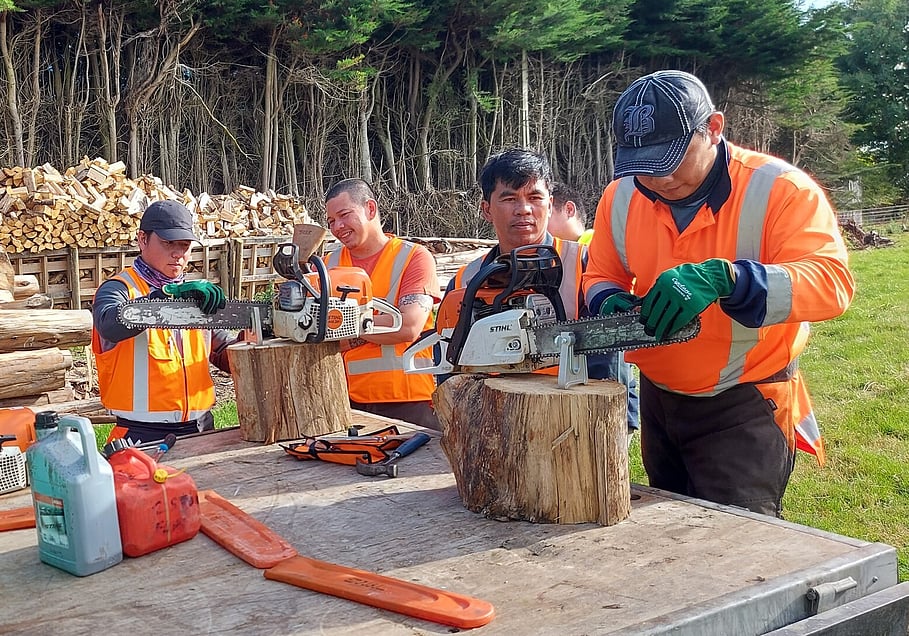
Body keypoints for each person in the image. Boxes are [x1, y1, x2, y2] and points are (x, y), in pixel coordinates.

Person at [583, 70, 855, 516]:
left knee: (737, 540)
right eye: (644, 164)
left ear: (712, 128)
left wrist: (730, 279)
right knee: (669, 526)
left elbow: (832, 283)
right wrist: (607, 299)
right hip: (658, 400)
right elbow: (600, 272)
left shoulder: (781, 189)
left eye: (670, 159)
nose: (659, 178)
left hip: (743, 402)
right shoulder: (622, 196)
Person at [445, 148, 640, 438]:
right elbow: (450, 360)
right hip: (496, 420)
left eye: (534, 197)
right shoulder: (467, 279)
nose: (523, 209)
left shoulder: (584, 263)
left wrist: (614, 421)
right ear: (486, 209)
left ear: (550, 204)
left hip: (579, 418)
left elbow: (608, 353)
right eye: (509, 198)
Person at [92, 199, 236, 445]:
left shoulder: (194, 296)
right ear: (142, 239)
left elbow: (223, 352)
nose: (178, 253)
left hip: (201, 429)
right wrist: (164, 297)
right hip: (139, 436)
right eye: (168, 243)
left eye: (185, 245)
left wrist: (252, 342)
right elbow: (109, 325)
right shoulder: (119, 289)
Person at [323, 178, 442, 430]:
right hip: (343, 401)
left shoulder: (414, 257)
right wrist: (378, 326)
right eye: (331, 221)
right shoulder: (326, 266)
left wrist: (344, 331)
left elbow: (407, 326)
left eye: (344, 215)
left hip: (408, 400)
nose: (337, 227)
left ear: (370, 208)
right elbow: (317, 335)